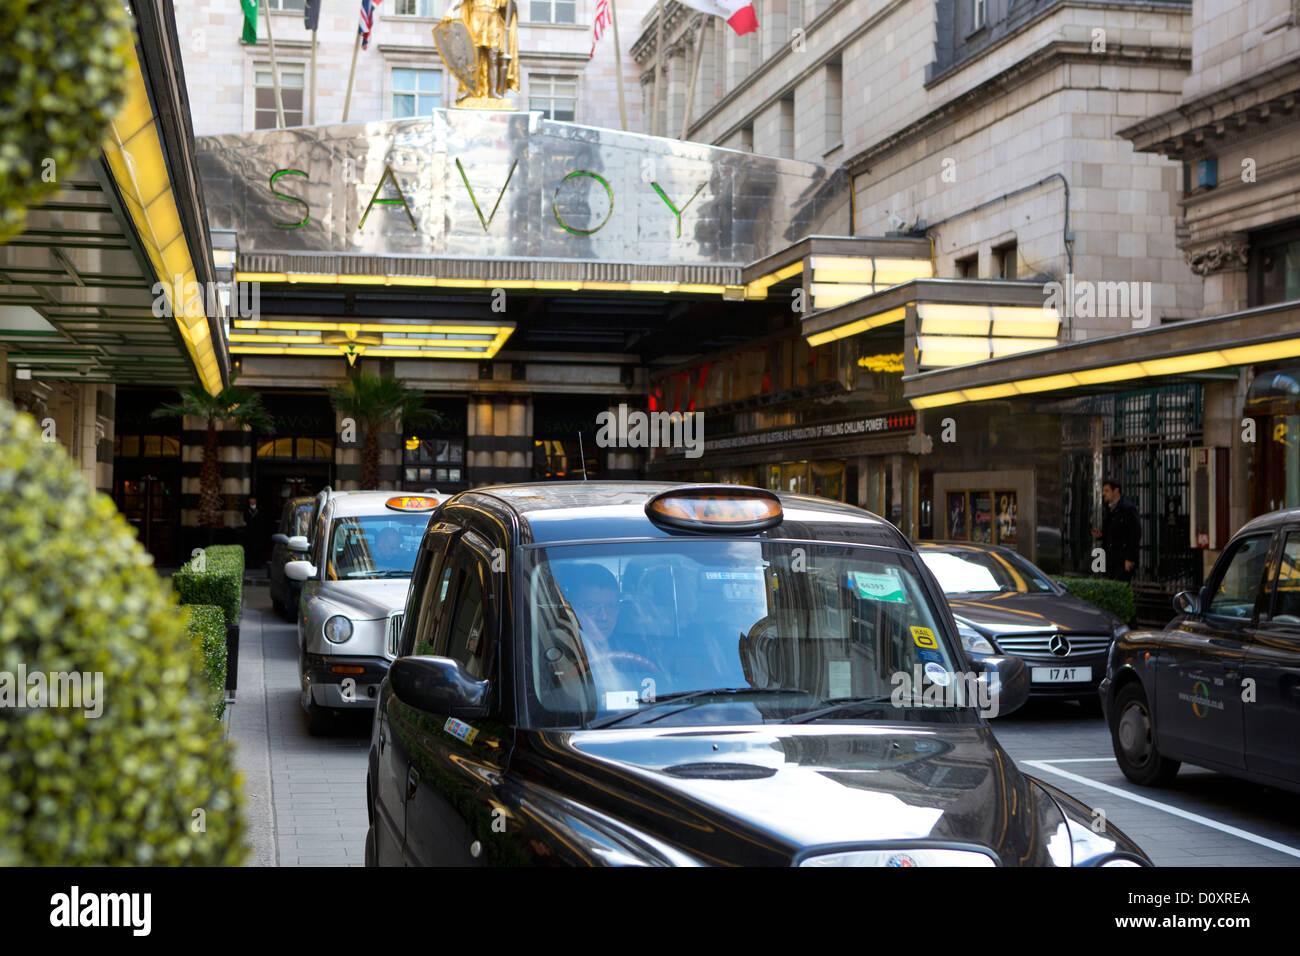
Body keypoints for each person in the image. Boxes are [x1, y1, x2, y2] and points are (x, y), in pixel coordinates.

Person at [1091, 478, 1141, 582]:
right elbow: (1111, 532)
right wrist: (1101, 535)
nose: (1104, 494)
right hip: (1110, 558)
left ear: (1116, 491)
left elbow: (1135, 534)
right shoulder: (1108, 509)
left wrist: (1130, 558)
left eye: (1107, 491)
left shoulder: (1127, 508)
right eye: (1103, 491)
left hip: (1122, 558)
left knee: (1121, 587)